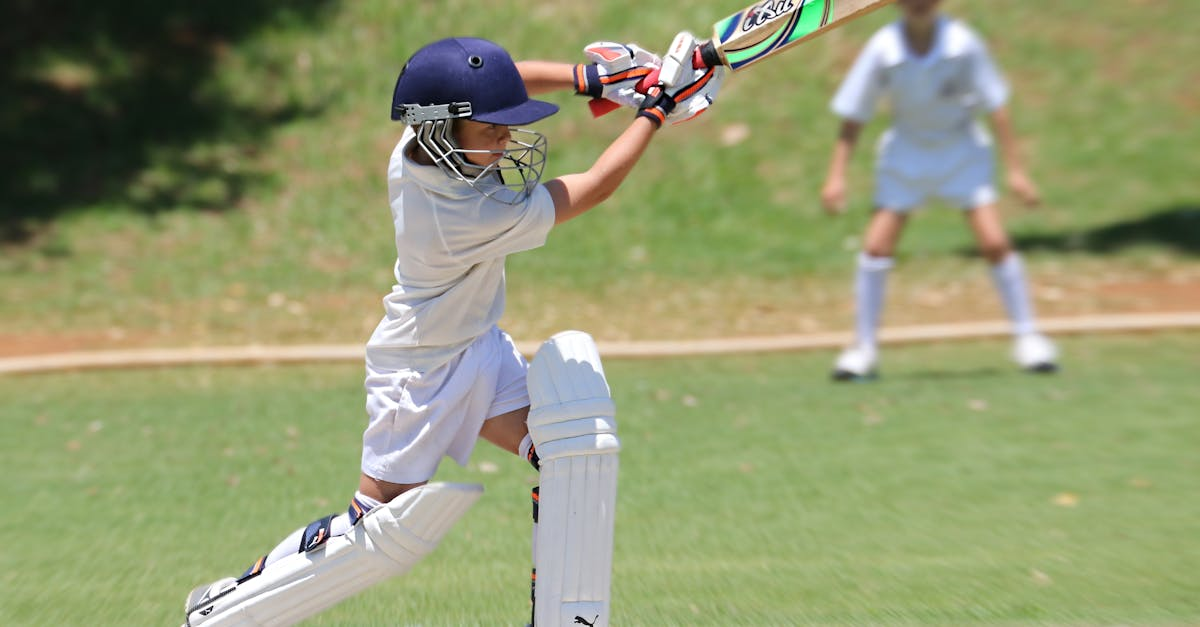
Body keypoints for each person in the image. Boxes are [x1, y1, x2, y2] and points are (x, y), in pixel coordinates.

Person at [181, 36, 723, 626]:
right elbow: (594, 186)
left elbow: (495, 83)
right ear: (443, 132)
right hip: (418, 372)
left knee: (573, 455)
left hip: (478, 348)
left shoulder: (418, 143)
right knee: (378, 531)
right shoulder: (463, 214)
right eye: (494, 133)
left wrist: (593, 80)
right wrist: (656, 109)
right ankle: (223, 612)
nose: (507, 141)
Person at [820, 0, 1058, 380]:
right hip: (906, 155)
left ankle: (1029, 338)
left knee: (995, 242)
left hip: (960, 151)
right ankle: (862, 349)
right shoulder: (883, 48)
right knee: (876, 248)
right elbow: (855, 113)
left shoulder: (964, 44)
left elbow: (997, 106)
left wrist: (1016, 171)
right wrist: (836, 175)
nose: (919, 4)